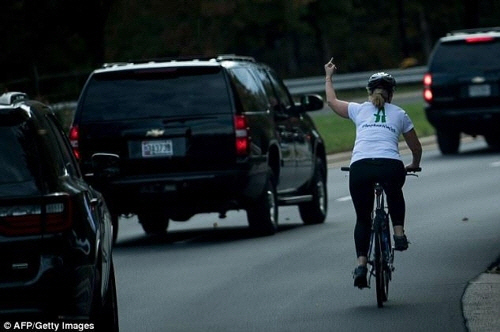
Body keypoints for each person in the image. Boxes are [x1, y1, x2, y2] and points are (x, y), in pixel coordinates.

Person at [324, 58, 422, 289]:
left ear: (370, 92)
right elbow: (416, 147)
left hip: (360, 167)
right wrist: (414, 163)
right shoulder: (399, 113)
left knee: (362, 218)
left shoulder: (358, 109)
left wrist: (329, 76)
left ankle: (360, 265)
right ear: (392, 94)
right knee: (394, 190)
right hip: (390, 165)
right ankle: (398, 232)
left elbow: (331, 101)